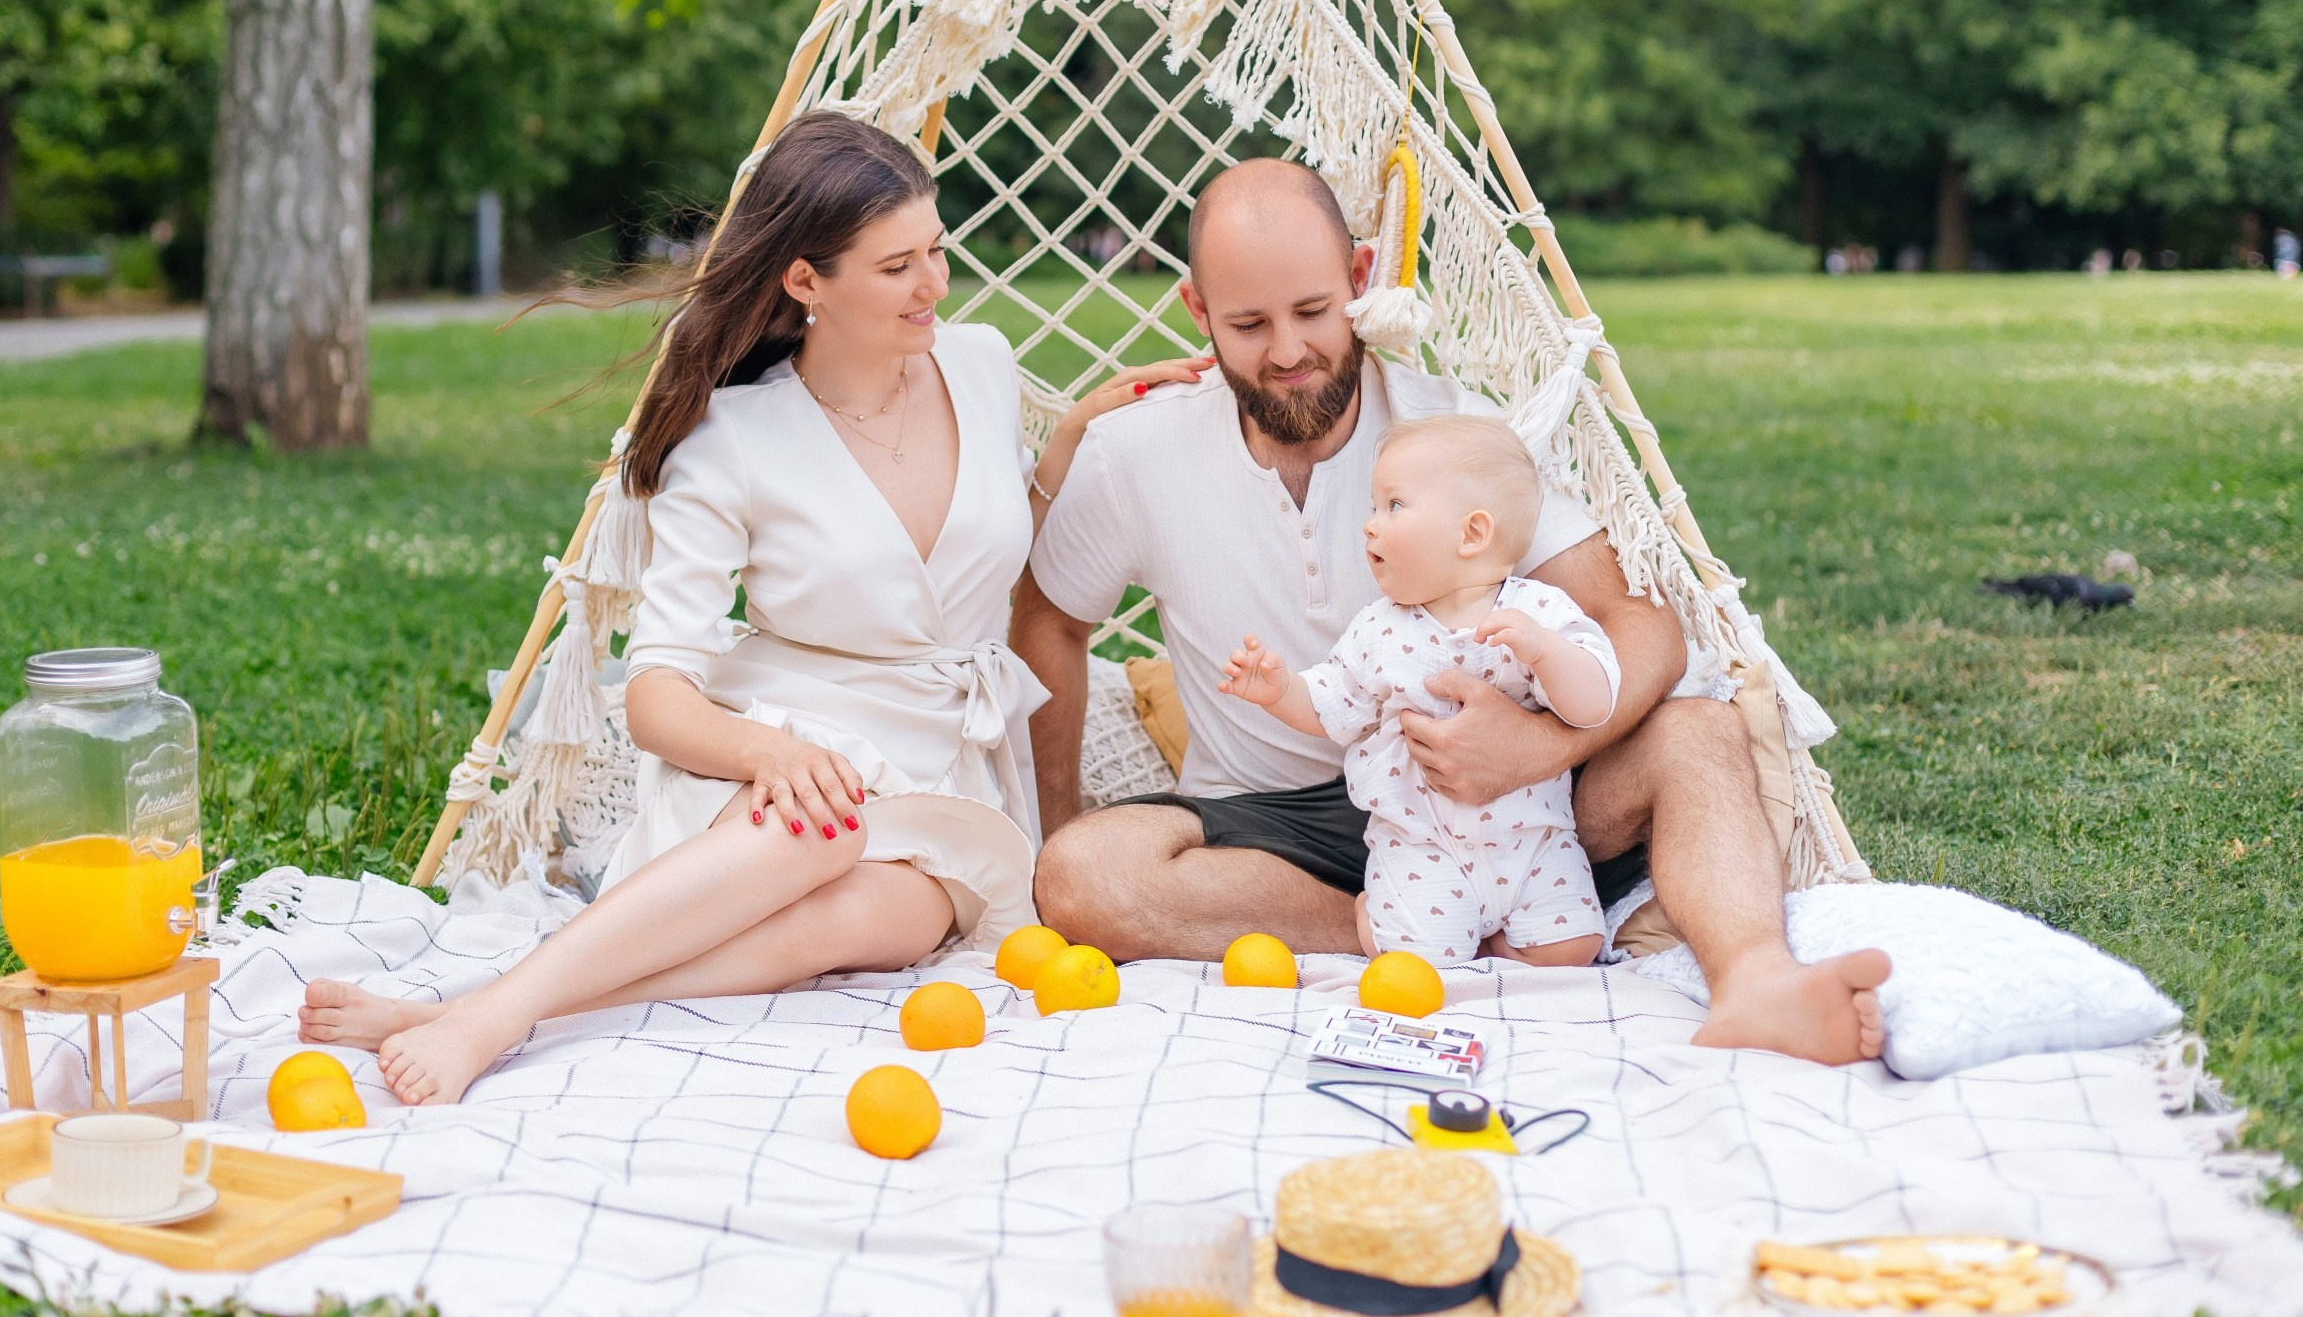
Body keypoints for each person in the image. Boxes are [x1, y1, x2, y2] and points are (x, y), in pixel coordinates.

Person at [299, 113, 1201, 1104]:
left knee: (895, 918)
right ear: (806, 281)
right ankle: (498, 1010)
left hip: (946, 753)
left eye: (936, 249)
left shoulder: (979, 363)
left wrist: (1070, 434)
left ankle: (494, 1000)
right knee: (822, 823)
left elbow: (978, 560)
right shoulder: (730, 438)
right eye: (898, 264)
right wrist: (768, 753)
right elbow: (656, 695)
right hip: (791, 738)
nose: (935, 283)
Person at [1014, 157, 1890, 1065]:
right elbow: (1050, 619)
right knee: (1080, 873)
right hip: (1274, 831)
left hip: (1507, 804)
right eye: (1248, 323)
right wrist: (1053, 821)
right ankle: (1401, 926)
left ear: (1360, 280)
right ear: (1198, 311)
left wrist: (1538, 747)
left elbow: (1646, 627)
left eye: (1313, 312)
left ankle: (1755, 982)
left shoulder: (1452, 429)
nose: (1285, 351)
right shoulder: (1138, 453)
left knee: (1700, 733)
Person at [1221, 414, 1617, 968]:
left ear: (1472, 534)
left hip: (1531, 839)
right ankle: (1376, 913)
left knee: (1573, 947)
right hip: (1421, 844)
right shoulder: (1379, 629)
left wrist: (1547, 653)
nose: (1370, 525)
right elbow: (1331, 705)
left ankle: (1498, 940)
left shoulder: (1538, 613)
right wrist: (1280, 688)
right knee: (1417, 958)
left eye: (1394, 506)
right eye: (1373, 506)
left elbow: (1595, 703)